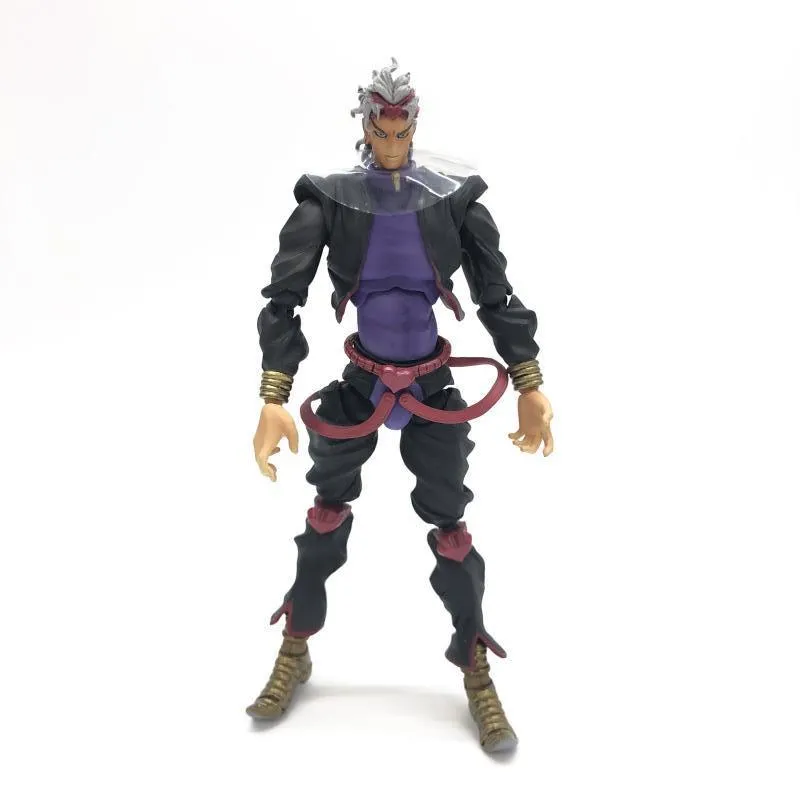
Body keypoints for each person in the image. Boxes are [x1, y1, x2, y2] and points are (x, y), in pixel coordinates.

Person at [246, 58, 554, 753]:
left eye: (400, 129)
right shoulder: (329, 200)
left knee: (452, 529)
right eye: (379, 130)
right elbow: (283, 299)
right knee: (325, 516)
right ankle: (296, 646)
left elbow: (497, 295)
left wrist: (529, 382)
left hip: (431, 384)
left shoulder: (451, 200)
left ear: (414, 124)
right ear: (365, 124)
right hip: (359, 383)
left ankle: (474, 665)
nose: (390, 142)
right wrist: (273, 395)